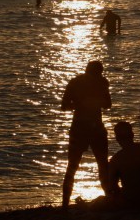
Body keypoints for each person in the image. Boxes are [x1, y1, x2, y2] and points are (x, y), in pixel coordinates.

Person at [61, 60, 112, 208]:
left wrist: (91, 103)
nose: (97, 76)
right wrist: (82, 104)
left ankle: (109, 197)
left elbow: (108, 104)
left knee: (99, 165)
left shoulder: (99, 82)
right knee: (80, 166)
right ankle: (64, 204)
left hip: (87, 128)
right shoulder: (92, 82)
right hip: (85, 128)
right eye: (97, 73)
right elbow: (64, 105)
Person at [102, 121, 140, 209]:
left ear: (117, 138)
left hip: (130, 202)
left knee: (98, 203)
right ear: (132, 135)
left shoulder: (116, 159)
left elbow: (113, 187)